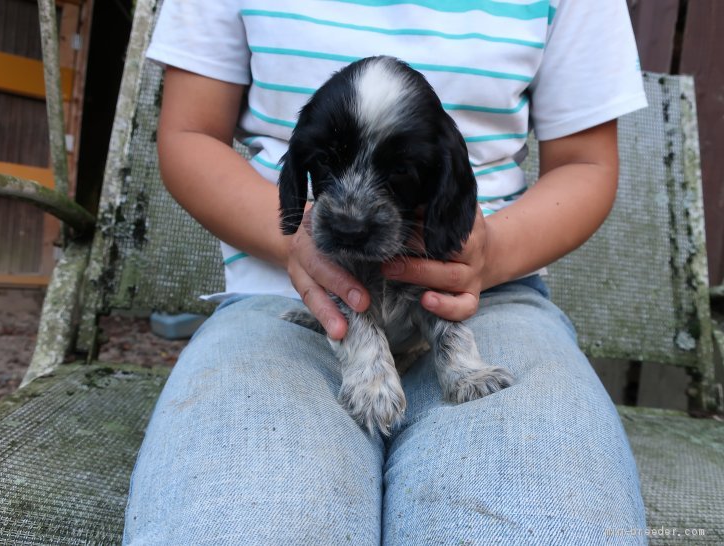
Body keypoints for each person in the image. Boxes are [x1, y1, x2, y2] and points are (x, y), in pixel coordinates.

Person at [123, 0, 649, 544]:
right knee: (251, 517)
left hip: (488, 296)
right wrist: (291, 237)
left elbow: (587, 163)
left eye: (399, 172)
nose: (351, 216)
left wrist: (486, 255)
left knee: (541, 519)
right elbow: (190, 133)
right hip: (283, 301)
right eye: (328, 165)